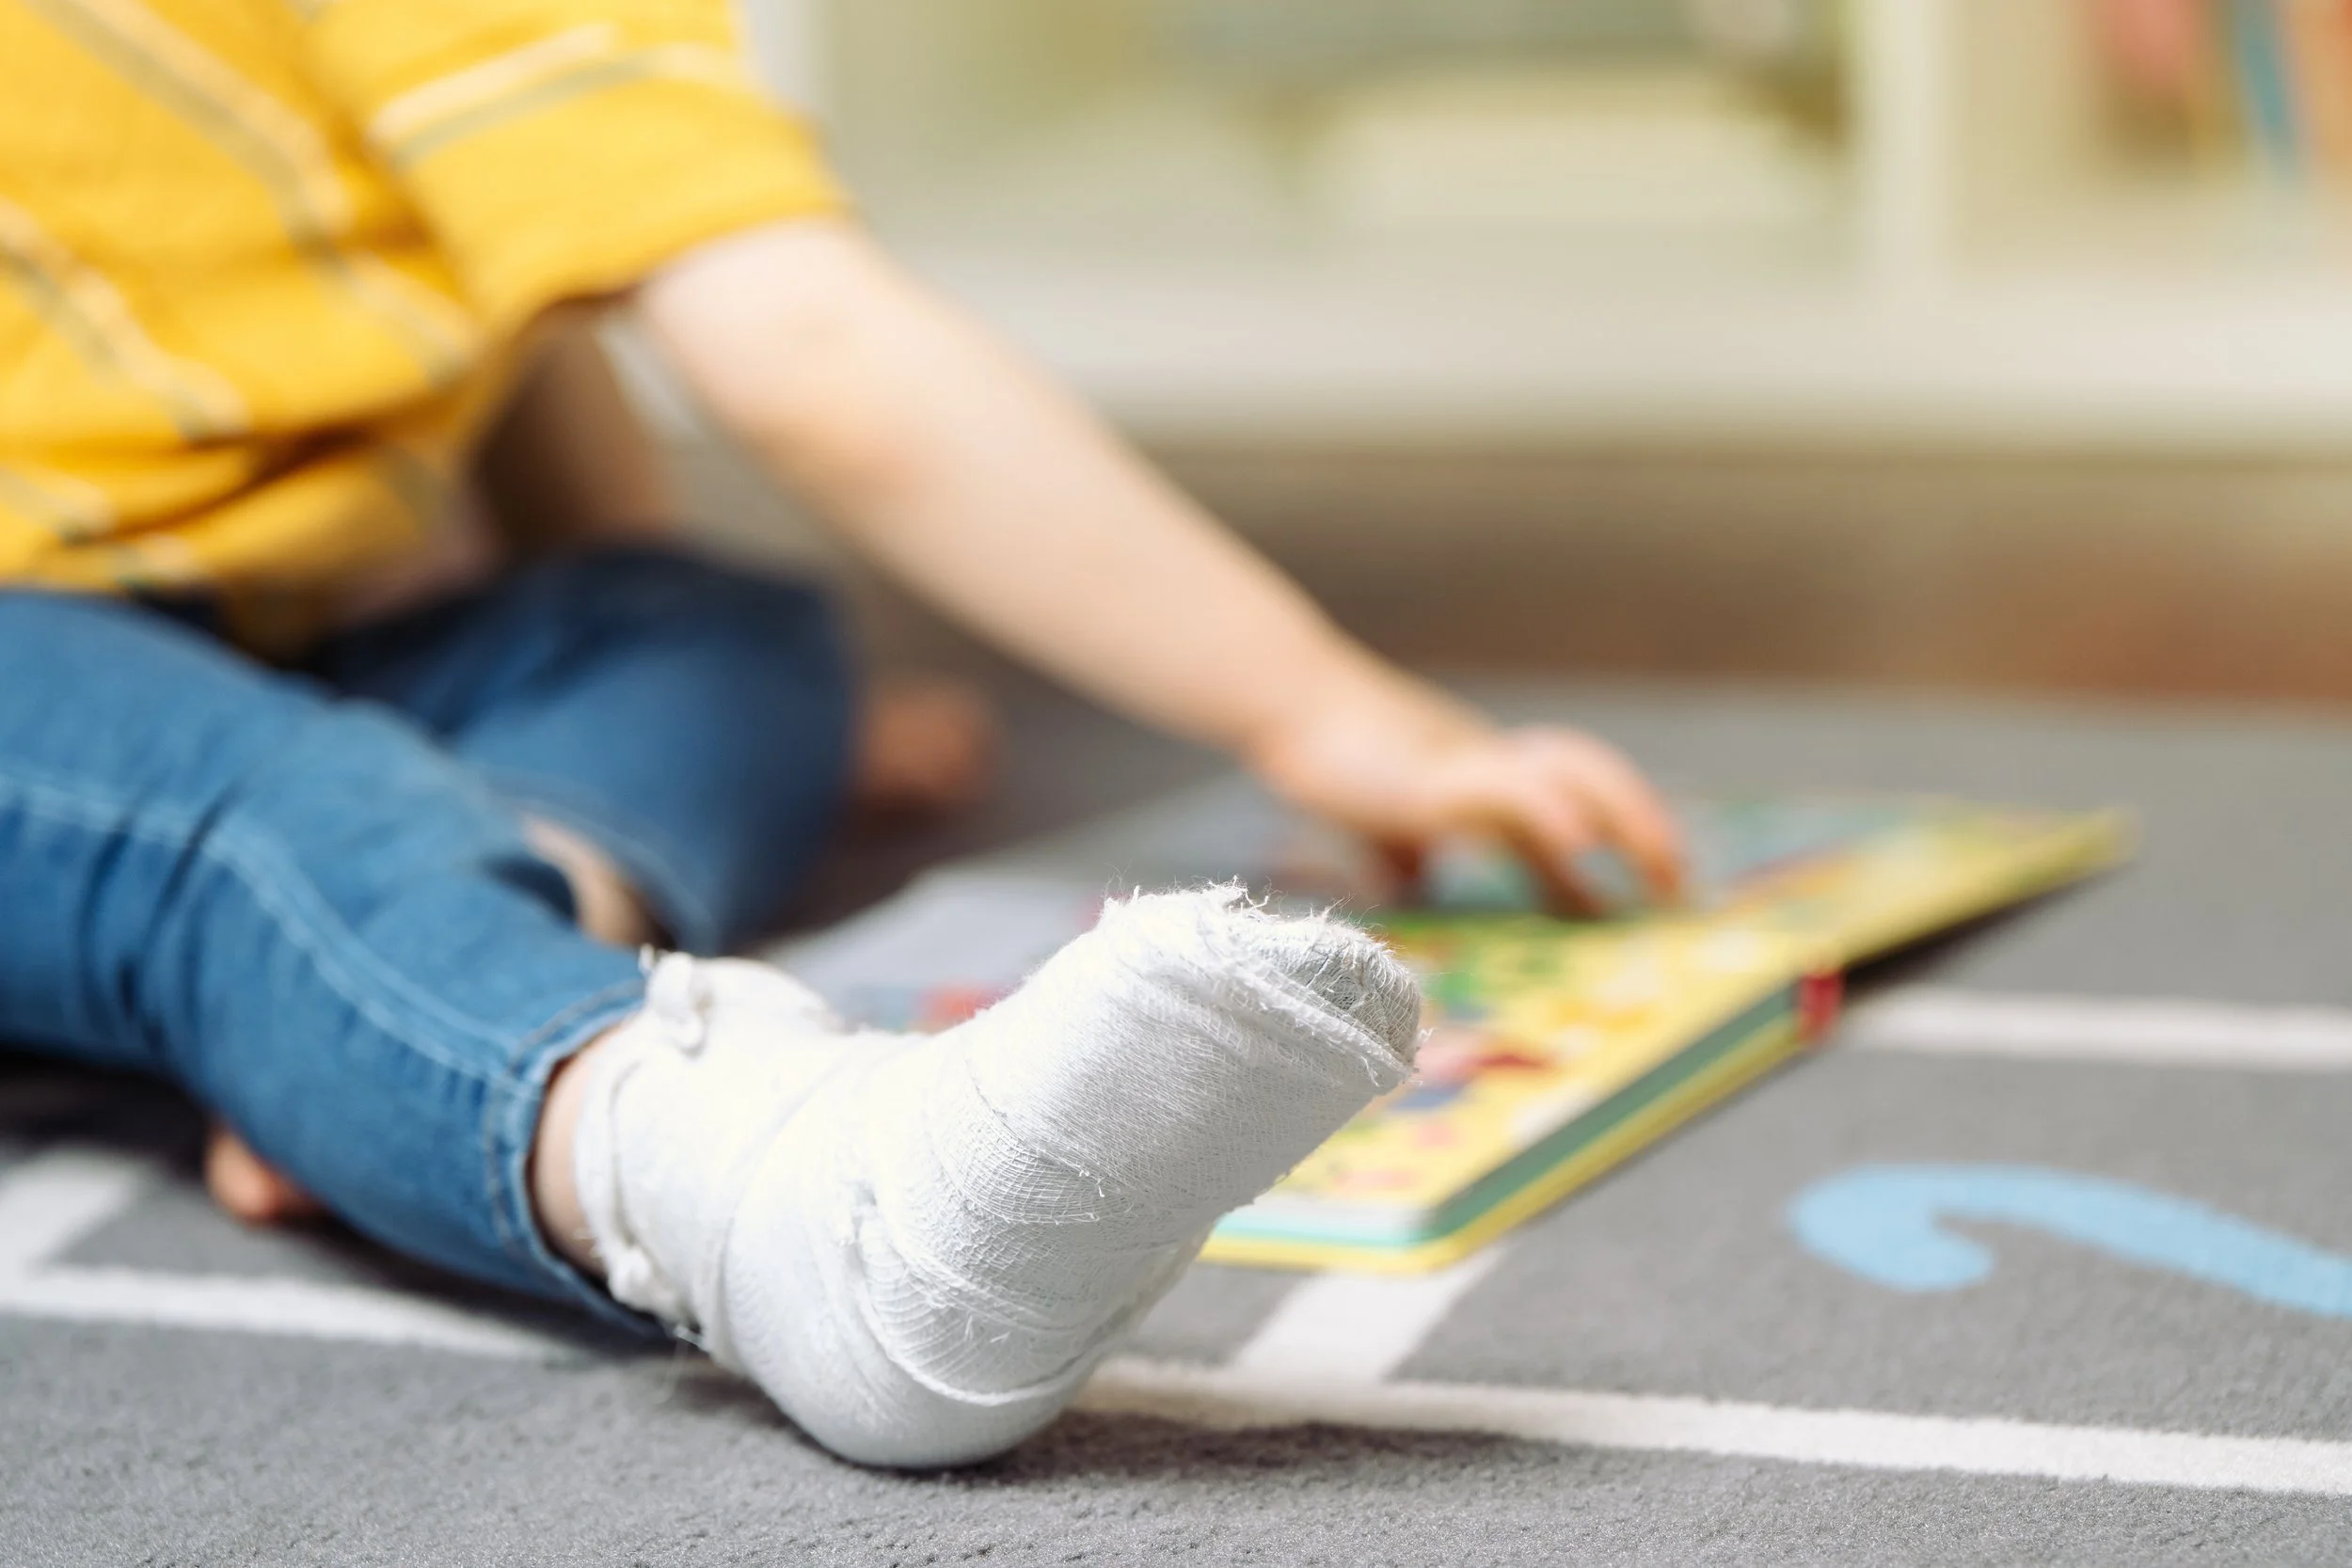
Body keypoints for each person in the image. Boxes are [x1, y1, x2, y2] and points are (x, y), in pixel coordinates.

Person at [0, 0, 1683, 1466]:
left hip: (213, 618)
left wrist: (632, 610)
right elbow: (804, 349)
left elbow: (525, 318)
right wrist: (1320, 704)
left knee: (715, 633)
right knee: (271, 814)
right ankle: (786, 1204)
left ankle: (411, 975)